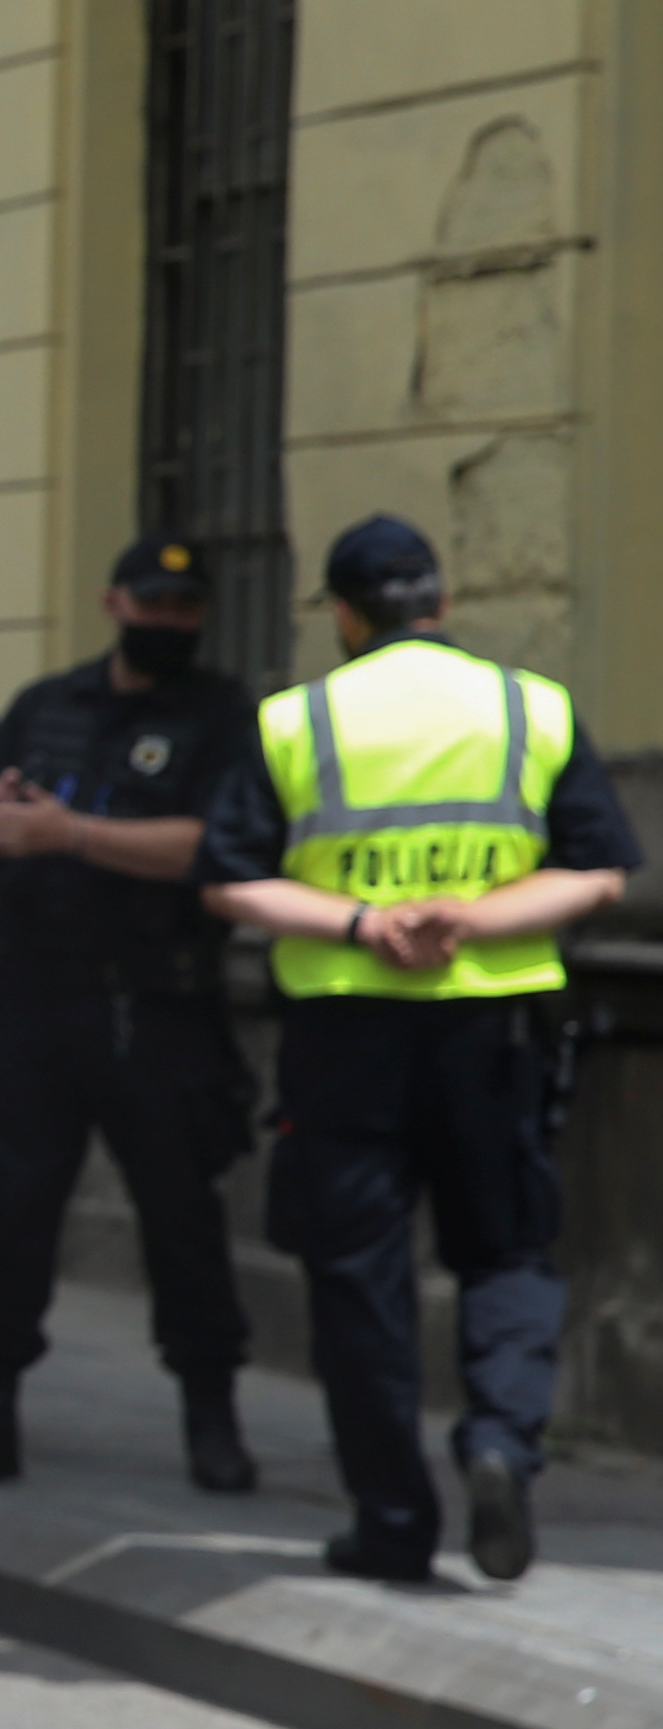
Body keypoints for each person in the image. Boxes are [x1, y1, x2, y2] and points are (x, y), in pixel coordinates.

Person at [197, 512, 638, 1584]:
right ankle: (497, 1442)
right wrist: (473, 919)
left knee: (357, 1277)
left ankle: (391, 1520)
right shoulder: (526, 709)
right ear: (438, 605)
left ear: (343, 616)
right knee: (506, 1256)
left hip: (344, 1033)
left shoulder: (294, 720)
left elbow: (223, 883)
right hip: (489, 1032)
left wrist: (360, 924)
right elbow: (599, 872)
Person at [0, 535, 265, 1496]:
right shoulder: (45, 708)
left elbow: (214, 850)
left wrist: (66, 834)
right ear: (111, 602)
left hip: (153, 1002)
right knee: (12, 1218)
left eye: (183, 608)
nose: (166, 622)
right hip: (32, 996)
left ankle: (210, 1412)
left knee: (181, 1221)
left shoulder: (221, 716)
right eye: (150, 604)